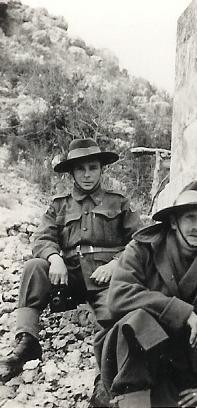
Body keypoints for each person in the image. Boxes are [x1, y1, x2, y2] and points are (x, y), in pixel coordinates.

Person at [0, 138, 142, 391]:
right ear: (72, 173)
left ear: (101, 170)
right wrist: (55, 258)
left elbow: (140, 241)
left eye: (93, 168)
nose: (87, 175)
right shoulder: (59, 204)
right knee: (34, 266)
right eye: (81, 169)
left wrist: (116, 264)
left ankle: (106, 379)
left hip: (105, 276)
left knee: (113, 314)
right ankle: (27, 342)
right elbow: (42, 237)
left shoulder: (118, 202)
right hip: (68, 278)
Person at [100, 181, 197, 407]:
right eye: (190, 217)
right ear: (174, 221)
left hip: (180, 356)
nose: (196, 227)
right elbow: (119, 296)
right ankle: (127, 396)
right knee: (141, 319)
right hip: (129, 356)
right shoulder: (143, 248)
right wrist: (182, 312)